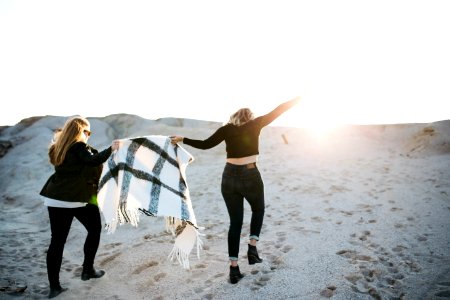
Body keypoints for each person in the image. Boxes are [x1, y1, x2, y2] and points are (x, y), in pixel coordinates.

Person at [170, 96, 301, 284]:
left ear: (234, 117)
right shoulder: (256, 124)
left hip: (228, 176)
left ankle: (233, 269)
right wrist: (298, 99)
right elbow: (278, 110)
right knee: (258, 209)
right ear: (250, 117)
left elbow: (205, 144)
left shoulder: (226, 129)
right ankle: (252, 249)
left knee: (235, 222)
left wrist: (183, 139)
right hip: (250, 174)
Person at [40, 116, 120, 298]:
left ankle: (54, 287)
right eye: (87, 132)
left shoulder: (57, 147)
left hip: (54, 198)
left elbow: (81, 164)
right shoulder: (78, 146)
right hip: (76, 199)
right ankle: (87, 270)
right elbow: (92, 161)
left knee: (57, 242)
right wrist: (112, 149)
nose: (88, 135)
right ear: (80, 131)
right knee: (94, 230)